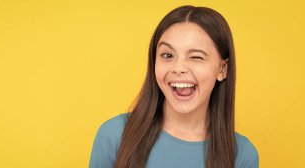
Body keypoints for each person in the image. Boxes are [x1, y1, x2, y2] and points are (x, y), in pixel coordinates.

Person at [89, 5, 259, 168]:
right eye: (167, 55)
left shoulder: (242, 155)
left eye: (196, 57)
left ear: (222, 69)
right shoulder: (114, 135)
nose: (178, 68)